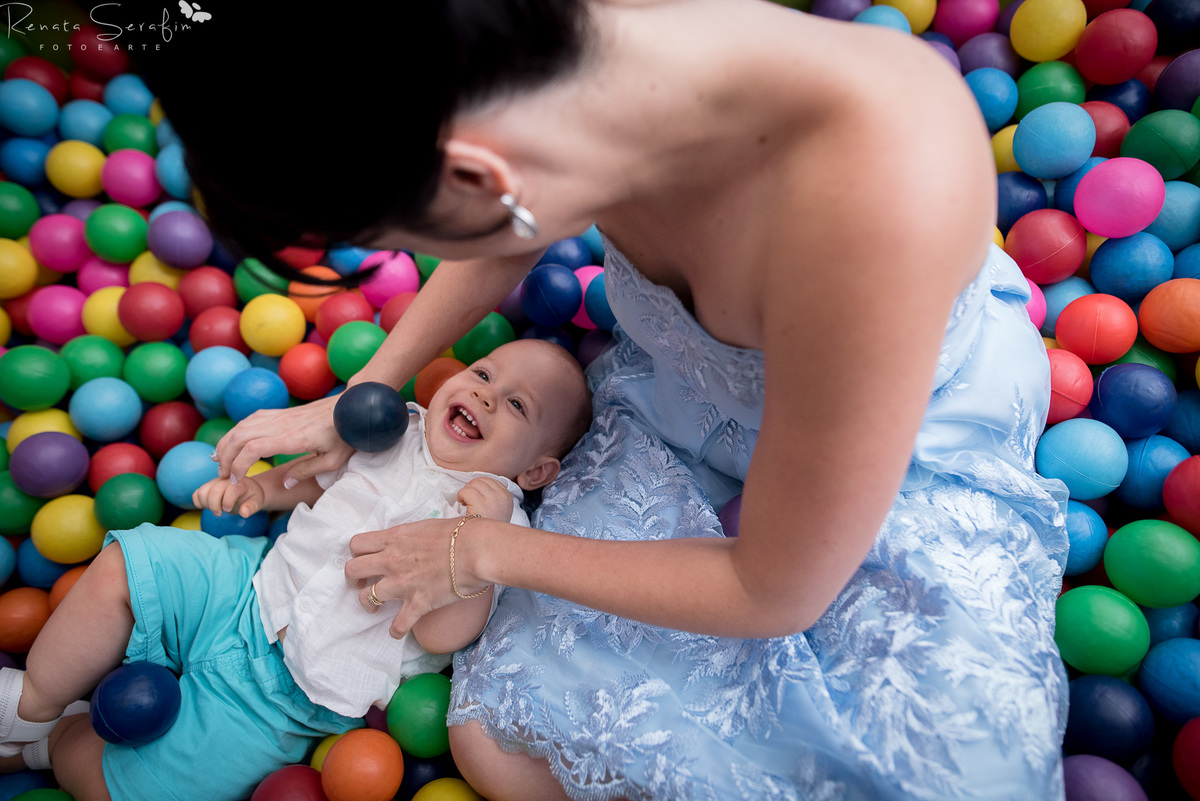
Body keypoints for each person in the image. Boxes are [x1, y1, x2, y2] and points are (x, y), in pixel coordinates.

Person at [126, 1, 1071, 799]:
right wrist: (364, 392)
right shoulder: (543, 81)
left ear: (482, 176)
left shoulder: (869, 200)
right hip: (673, 403)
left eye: (406, 236)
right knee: (494, 731)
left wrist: (477, 548)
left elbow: (774, 587)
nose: (419, 255)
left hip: (894, 442)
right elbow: (507, 223)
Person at [0, 339, 592, 801]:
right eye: (483, 374)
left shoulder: (502, 531)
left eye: (517, 405)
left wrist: (474, 547)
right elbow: (320, 475)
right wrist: (260, 490)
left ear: (535, 473)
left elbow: (442, 635)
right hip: (246, 588)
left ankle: (57, 742)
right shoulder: (397, 427)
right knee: (132, 564)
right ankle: (32, 703)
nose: (486, 396)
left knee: (139, 792)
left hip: (288, 701)